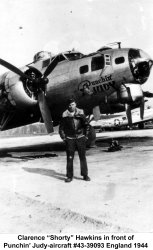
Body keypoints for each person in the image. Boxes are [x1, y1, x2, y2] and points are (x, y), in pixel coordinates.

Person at [59, 98, 91, 182]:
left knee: (82, 157)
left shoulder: (80, 113)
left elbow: (87, 125)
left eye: (72, 104)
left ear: (75, 104)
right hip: (70, 139)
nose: (71, 106)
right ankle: (69, 176)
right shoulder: (64, 115)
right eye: (69, 105)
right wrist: (64, 138)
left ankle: (85, 175)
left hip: (80, 138)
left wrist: (86, 136)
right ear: (67, 106)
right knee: (70, 158)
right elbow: (61, 129)